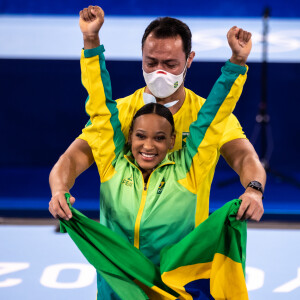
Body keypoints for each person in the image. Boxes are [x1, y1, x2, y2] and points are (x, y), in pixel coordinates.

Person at [49, 8, 265, 234]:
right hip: (123, 257)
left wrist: (254, 189)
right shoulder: (120, 113)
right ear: (142, 55)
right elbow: (73, 157)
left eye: (170, 64)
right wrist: (59, 190)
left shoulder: (209, 117)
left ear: (189, 59)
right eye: (151, 63)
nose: (159, 72)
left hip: (182, 254)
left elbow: (244, 156)